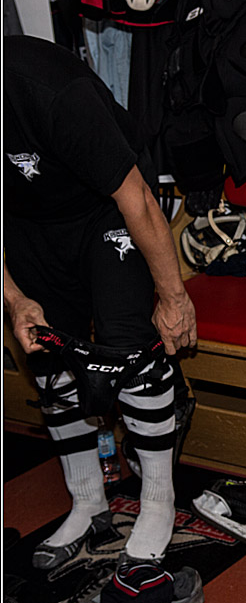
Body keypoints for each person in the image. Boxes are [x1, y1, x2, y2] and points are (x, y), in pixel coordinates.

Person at [3, 36, 197, 570]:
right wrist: (15, 300)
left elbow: (135, 198)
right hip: (27, 222)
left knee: (128, 350)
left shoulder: (49, 91)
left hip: (105, 209)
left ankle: (159, 499)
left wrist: (173, 297)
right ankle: (88, 501)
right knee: (46, 353)